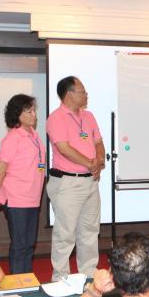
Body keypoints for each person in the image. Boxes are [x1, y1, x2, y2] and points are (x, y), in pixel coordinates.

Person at [47, 76, 105, 280]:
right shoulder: (56, 118)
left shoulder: (88, 116)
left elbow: (98, 142)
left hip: (90, 181)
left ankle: (88, 273)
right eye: (82, 91)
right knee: (65, 233)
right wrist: (89, 163)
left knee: (90, 230)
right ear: (69, 94)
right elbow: (63, 148)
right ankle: (60, 277)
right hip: (68, 182)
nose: (86, 94)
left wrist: (99, 161)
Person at [0, 94, 46, 274]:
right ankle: (17, 283)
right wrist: (2, 197)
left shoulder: (35, 136)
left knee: (29, 245)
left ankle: (27, 281)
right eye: (29, 111)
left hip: (33, 198)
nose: (34, 115)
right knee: (19, 245)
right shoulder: (13, 137)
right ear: (17, 114)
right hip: (16, 199)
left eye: (34, 111)